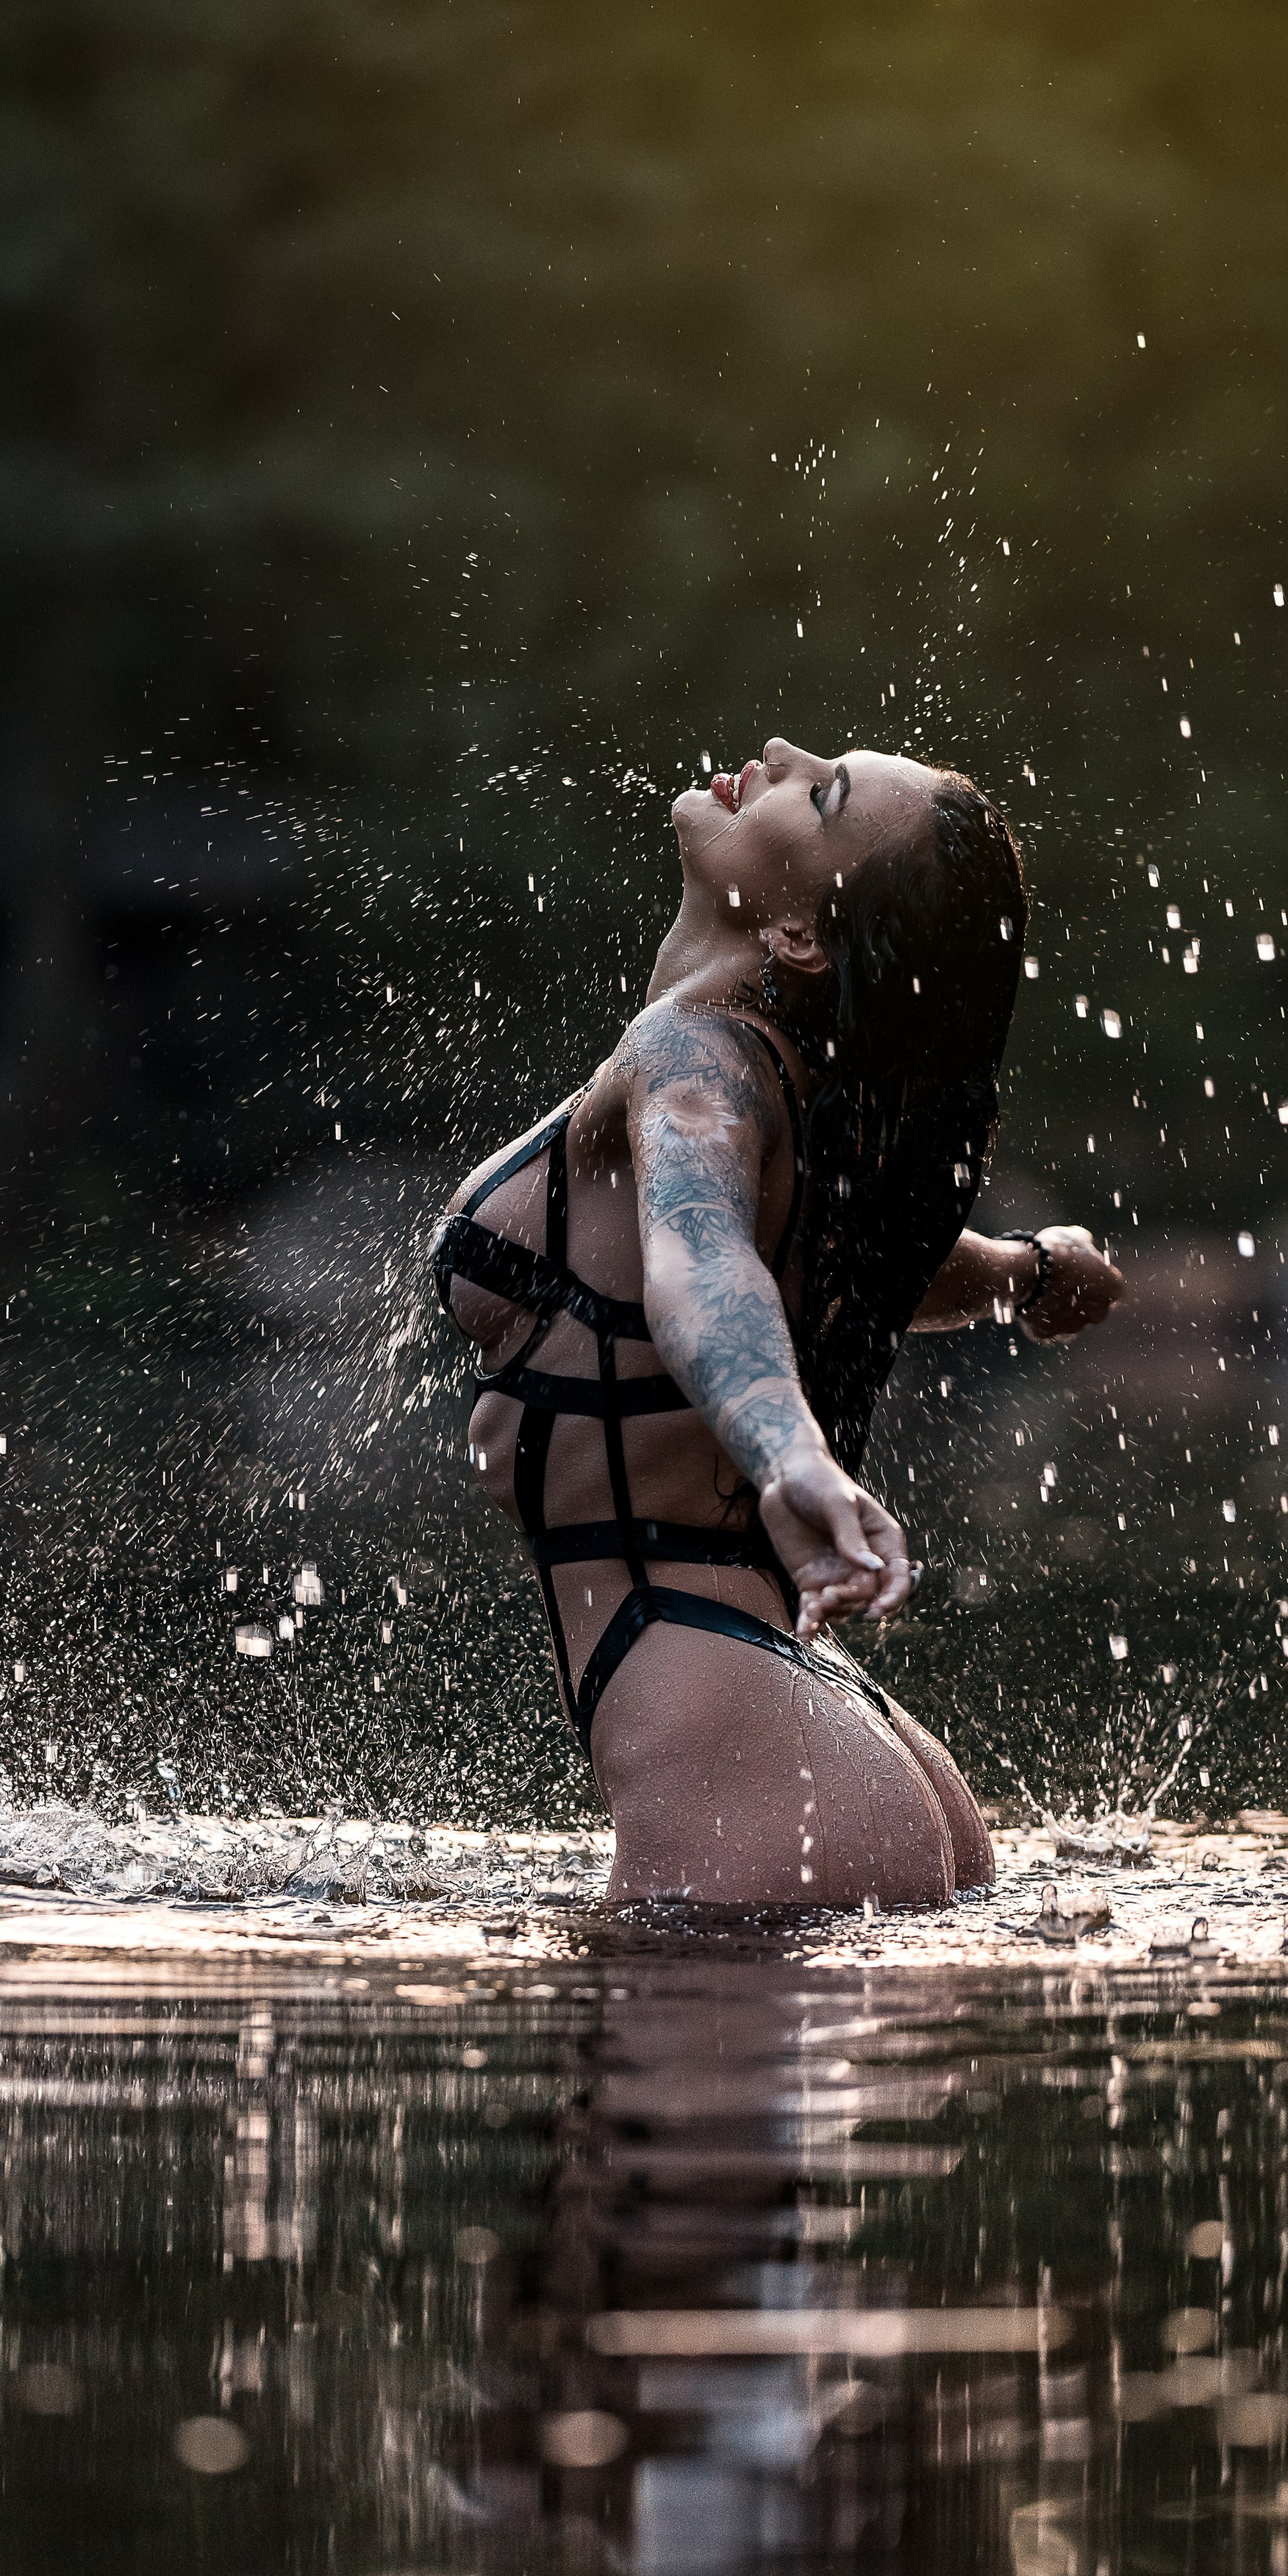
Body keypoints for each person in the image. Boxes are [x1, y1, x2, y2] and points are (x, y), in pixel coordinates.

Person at [432, 738, 1124, 1908]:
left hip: (751, 1746)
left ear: (801, 936)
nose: (780, 753)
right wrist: (1017, 1273)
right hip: (817, 1733)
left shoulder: (690, 1055)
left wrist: (789, 1452)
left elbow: (701, 1264)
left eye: (823, 790)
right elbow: (809, 1258)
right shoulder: (786, 1093)